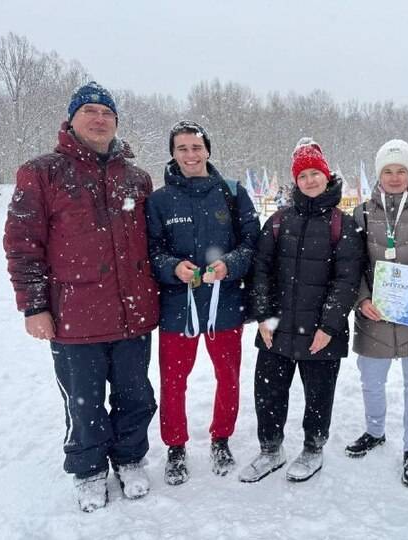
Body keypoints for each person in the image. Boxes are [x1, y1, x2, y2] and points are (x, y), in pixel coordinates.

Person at [3, 81, 159, 512]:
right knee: (83, 399)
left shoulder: (137, 177)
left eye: (107, 112)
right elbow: (22, 243)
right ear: (71, 120)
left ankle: (129, 458)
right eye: (89, 110)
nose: (99, 118)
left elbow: (153, 242)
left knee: (135, 394)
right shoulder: (42, 172)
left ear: (116, 122)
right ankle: (89, 470)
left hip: (133, 312)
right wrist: (34, 306)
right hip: (75, 313)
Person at [238, 138, 363, 483]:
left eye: (315, 173)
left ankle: (313, 448)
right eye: (303, 175)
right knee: (268, 392)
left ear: (326, 175)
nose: (309, 181)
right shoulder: (278, 221)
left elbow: (347, 280)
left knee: (318, 396)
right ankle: (270, 449)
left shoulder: (343, 225)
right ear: (295, 181)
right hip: (276, 329)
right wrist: (263, 316)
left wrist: (329, 326)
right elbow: (260, 270)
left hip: (321, 333)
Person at [145, 121, 259, 486]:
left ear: (208, 150)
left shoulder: (232, 192)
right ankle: (175, 447)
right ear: (173, 153)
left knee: (227, 376)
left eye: (196, 147)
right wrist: (173, 267)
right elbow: (152, 251)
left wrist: (231, 265)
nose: (190, 155)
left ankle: (221, 438)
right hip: (178, 307)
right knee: (173, 381)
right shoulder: (160, 200)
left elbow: (251, 243)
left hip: (224, 304)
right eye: (182, 148)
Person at [345, 139, 408, 489]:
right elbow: (352, 267)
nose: (393, 177)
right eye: (387, 171)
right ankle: (375, 431)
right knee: (371, 381)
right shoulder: (361, 214)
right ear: (378, 174)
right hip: (374, 315)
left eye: (400, 170)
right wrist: (360, 300)